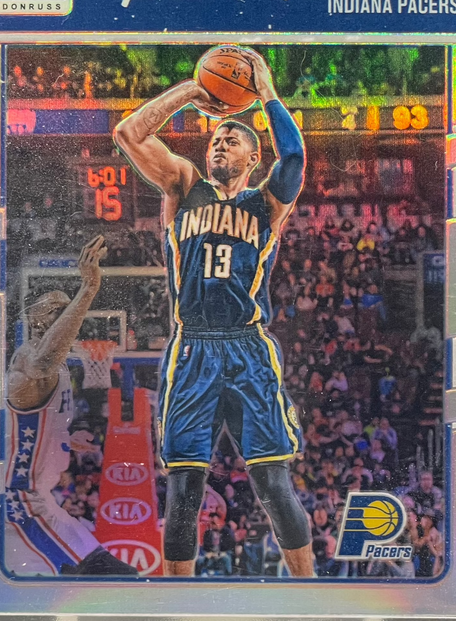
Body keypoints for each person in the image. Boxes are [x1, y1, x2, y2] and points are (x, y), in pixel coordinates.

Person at [114, 48, 313, 577]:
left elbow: (294, 158)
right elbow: (129, 134)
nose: (219, 143)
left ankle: (311, 591)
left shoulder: (266, 202)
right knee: (184, 489)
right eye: (215, 140)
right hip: (194, 345)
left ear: (253, 157)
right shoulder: (185, 185)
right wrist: (192, 91)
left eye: (231, 139)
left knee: (273, 484)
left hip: (248, 345)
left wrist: (266, 92)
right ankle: (178, 602)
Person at [4, 237, 137, 577]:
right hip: (22, 504)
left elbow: (31, 422)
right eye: (57, 310)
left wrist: (61, 440)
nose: (69, 315)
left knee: (118, 577)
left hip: (41, 500)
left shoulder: (60, 369)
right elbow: (41, 364)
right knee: (110, 580)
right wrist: (88, 289)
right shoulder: (27, 359)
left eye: (70, 308)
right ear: (35, 319)